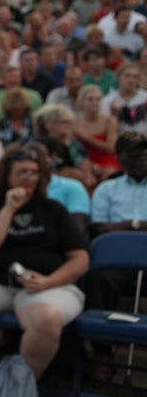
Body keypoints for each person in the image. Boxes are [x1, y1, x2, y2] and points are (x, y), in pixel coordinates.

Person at [0, 147, 89, 383]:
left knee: (46, 319)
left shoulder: (53, 209)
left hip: (48, 285)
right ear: (6, 176)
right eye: (22, 172)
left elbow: (80, 258)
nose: (29, 178)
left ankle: (18, 388)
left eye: (34, 173)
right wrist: (9, 209)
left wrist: (48, 282)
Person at [86, 132, 147, 379]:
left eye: (145, 152)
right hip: (115, 262)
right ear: (119, 158)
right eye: (134, 153)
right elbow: (98, 227)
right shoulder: (107, 188)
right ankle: (103, 352)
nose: (142, 158)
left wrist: (122, 225)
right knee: (98, 279)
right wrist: (137, 225)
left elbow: (109, 226)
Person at [72, 84, 122, 179]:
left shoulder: (110, 121)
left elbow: (111, 148)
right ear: (81, 102)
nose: (94, 103)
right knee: (86, 177)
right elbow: (75, 150)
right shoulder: (75, 123)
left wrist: (86, 137)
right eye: (90, 99)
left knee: (108, 175)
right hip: (85, 161)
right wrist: (90, 164)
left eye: (98, 99)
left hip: (107, 160)